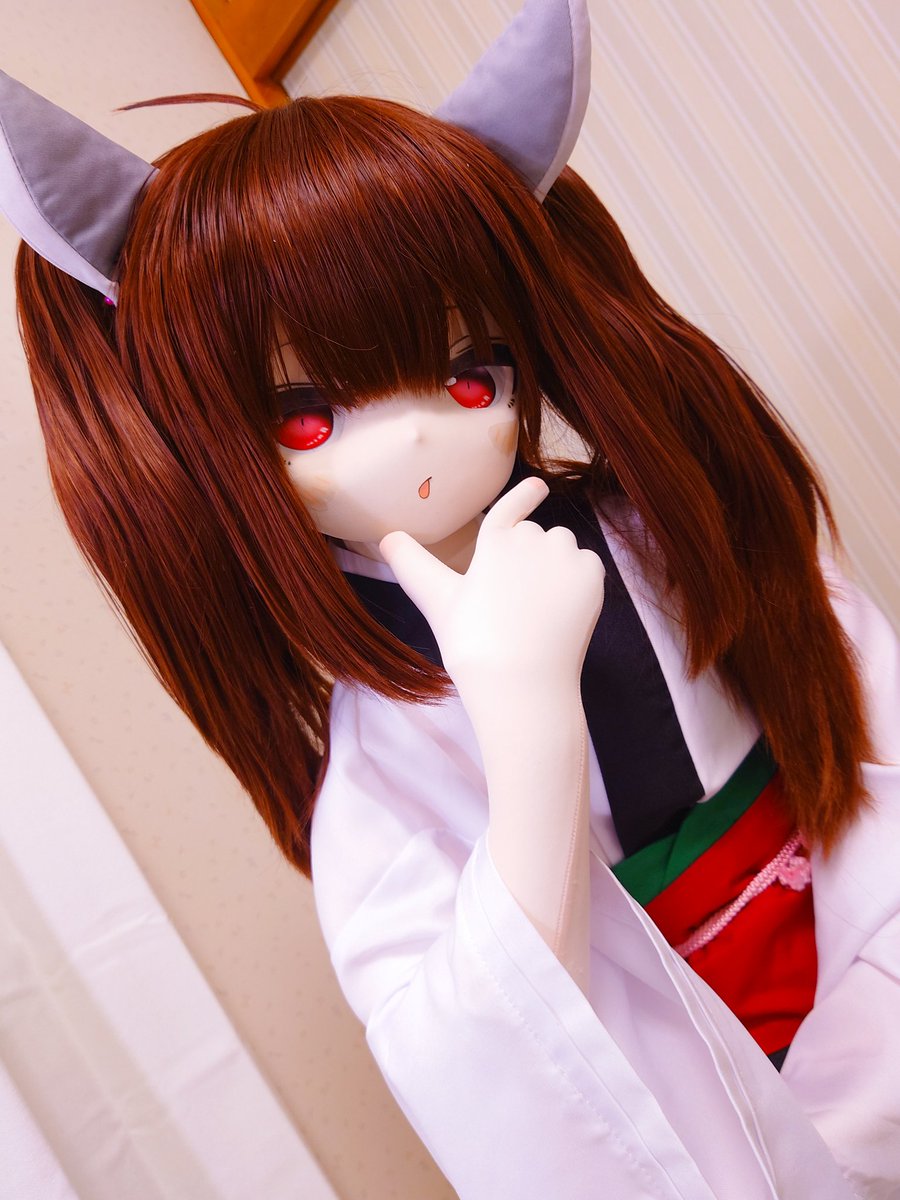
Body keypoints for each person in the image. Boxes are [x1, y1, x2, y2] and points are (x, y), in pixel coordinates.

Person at [2, 1, 897, 1196]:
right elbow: (475, 1061)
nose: (417, 440)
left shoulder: (670, 531)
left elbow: (867, 715)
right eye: (305, 416)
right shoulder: (377, 765)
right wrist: (527, 732)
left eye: (469, 376)